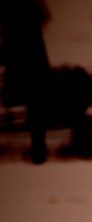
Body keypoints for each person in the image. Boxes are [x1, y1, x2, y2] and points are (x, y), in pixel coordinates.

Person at [0, 0, 52, 163]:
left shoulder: (17, 24)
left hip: (27, 67)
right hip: (33, 68)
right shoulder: (29, 21)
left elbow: (10, 52)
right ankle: (37, 139)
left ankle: (37, 138)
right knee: (36, 105)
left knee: (35, 104)